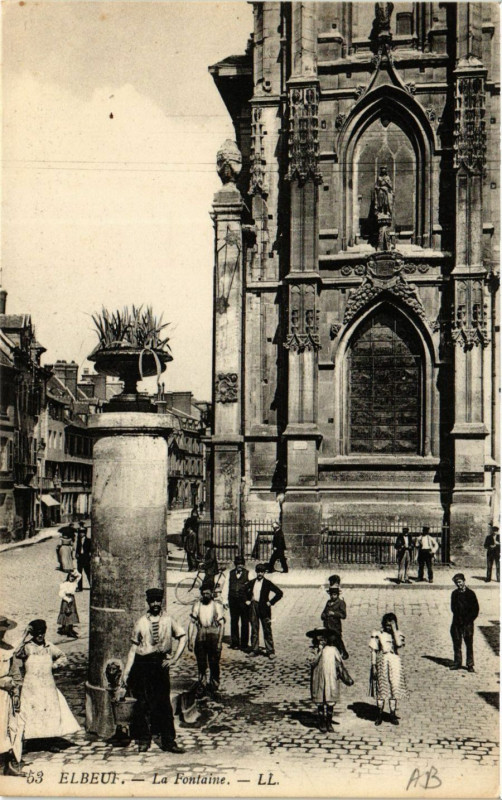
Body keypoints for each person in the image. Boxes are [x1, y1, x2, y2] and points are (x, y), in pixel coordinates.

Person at [122, 588, 186, 753]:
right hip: (143, 664)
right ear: (148, 603)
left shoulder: (168, 620)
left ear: (161, 601)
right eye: (152, 601)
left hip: (160, 664)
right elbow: (133, 649)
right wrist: (127, 672)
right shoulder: (141, 622)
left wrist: (174, 659)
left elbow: (182, 636)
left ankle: (169, 741)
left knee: (164, 703)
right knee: (142, 703)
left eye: (158, 600)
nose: (155, 604)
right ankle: (144, 739)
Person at [15, 619, 80, 748]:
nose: (40, 636)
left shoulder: (49, 647)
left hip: (47, 686)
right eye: (37, 633)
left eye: (42, 633)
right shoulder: (28, 647)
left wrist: (55, 665)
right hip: (31, 687)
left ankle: (49, 741)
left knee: (49, 711)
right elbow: (16, 653)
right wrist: (24, 635)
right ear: (33, 634)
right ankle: (32, 740)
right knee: (31, 712)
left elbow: (63, 657)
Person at [369, 612, 406, 726]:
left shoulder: (398, 634)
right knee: (382, 688)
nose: (388, 627)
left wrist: (394, 630)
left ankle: (392, 714)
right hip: (382, 661)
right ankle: (379, 714)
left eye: (391, 625)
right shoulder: (378, 634)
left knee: (394, 687)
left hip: (394, 662)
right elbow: (374, 651)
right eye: (387, 625)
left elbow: (399, 644)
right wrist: (374, 666)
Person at [188, 587, 225, 696]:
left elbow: (222, 625)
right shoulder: (197, 605)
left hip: (213, 634)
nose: (205, 596)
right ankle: (202, 685)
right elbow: (192, 623)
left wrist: (219, 641)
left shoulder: (217, 606)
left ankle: (214, 685)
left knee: (214, 662)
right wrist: (190, 640)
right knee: (201, 662)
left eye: (207, 593)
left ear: (211, 594)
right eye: (203, 593)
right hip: (201, 634)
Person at [0, 617, 24, 776]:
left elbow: (15, 673)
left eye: (2, 632)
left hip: (4, 696)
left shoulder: (8, 650)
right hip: (2, 688)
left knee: (6, 727)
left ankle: (6, 765)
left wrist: (16, 691)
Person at [307, 629, 342, 733]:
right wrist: (320, 651)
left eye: (323, 637)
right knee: (320, 700)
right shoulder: (312, 650)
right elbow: (312, 662)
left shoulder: (333, 649)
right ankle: (322, 721)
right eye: (319, 637)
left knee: (330, 699)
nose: (321, 639)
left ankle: (329, 722)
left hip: (330, 677)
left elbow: (339, 662)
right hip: (318, 678)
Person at [246, 563, 283, 659]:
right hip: (254, 606)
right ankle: (254, 649)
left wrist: (270, 602)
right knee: (254, 629)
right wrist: (247, 600)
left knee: (266, 629)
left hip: (264, 608)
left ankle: (270, 651)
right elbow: (243, 591)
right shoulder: (252, 582)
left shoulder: (267, 583)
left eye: (262, 572)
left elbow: (279, 593)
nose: (260, 574)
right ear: (256, 572)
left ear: (264, 573)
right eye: (258, 572)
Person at [450, 574, 479, 672]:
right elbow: (453, 608)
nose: (458, 584)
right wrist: (459, 618)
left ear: (464, 581)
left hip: (468, 624)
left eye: (459, 582)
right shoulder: (454, 594)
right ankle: (457, 662)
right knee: (457, 643)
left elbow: (475, 610)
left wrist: (468, 620)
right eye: (456, 583)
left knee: (469, 644)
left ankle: (470, 664)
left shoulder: (471, 594)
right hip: (457, 623)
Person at [225, 556, 249, 650]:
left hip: (243, 601)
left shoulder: (248, 574)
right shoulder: (230, 574)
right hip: (233, 600)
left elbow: (251, 588)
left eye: (242, 564)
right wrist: (225, 600)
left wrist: (249, 600)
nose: (240, 566)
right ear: (235, 565)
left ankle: (244, 644)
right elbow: (226, 587)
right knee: (234, 621)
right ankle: (235, 643)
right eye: (238, 564)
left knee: (245, 622)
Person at [321, 577, 349, 659]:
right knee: (328, 641)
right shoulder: (328, 602)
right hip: (327, 626)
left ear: (337, 595)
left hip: (335, 627)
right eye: (331, 595)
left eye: (334, 595)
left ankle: (343, 652)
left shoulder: (341, 603)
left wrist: (334, 613)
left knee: (337, 639)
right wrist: (323, 615)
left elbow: (343, 615)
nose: (333, 596)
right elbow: (324, 611)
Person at [57, 570, 80, 638]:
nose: (72, 578)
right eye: (71, 577)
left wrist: (74, 570)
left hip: (72, 599)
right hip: (66, 599)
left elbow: (79, 576)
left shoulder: (74, 583)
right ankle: (68, 630)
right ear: (68, 577)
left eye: (73, 577)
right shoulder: (64, 584)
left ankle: (69, 629)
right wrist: (67, 599)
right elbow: (60, 594)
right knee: (67, 614)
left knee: (71, 614)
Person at [75, 523, 91, 591]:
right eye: (80, 533)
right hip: (80, 557)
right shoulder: (79, 540)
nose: (80, 534)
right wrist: (76, 554)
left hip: (86, 558)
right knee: (79, 573)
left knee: (88, 573)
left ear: (85, 533)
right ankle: (79, 587)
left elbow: (90, 549)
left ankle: (92, 585)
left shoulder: (88, 541)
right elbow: (77, 548)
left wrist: (89, 556)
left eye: (82, 533)